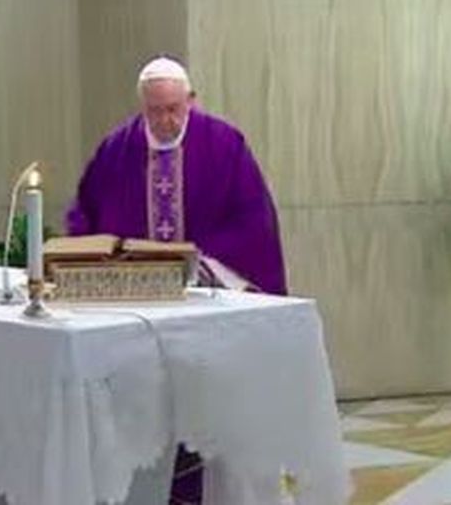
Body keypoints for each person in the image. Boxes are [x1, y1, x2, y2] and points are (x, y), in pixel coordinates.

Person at [64, 55, 287, 503]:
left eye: (174, 109)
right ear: (141, 105)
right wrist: (95, 257)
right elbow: (84, 215)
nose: (165, 120)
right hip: (136, 307)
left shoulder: (224, 144)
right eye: (155, 110)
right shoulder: (117, 148)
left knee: (204, 410)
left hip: (201, 302)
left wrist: (202, 263)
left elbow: (253, 218)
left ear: (191, 100)